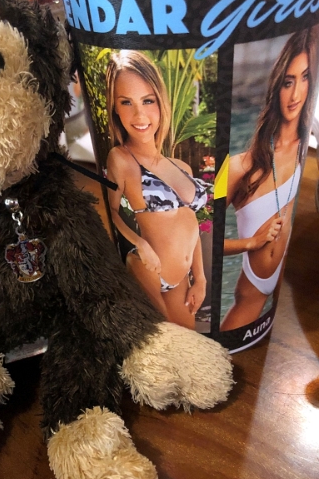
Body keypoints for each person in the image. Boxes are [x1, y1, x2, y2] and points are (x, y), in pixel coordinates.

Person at [221, 27, 318, 331]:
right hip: (251, 293)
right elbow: (198, 238)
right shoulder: (239, 166)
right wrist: (250, 242)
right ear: (277, 87)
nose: (296, 94)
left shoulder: (303, 147)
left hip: (281, 290)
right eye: (288, 82)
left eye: (305, 78)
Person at [106, 50, 207, 329]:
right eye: (126, 102)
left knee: (190, 345)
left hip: (181, 279)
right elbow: (112, 210)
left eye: (147, 101)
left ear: (160, 103)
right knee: (166, 343)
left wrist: (199, 278)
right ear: (115, 108)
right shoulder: (121, 159)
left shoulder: (181, 167)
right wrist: (140, 244)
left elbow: (191, 224)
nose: (139, 114)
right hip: (149, 268)